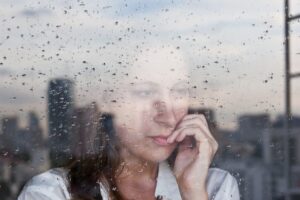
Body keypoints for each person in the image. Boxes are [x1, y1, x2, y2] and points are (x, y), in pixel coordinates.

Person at [18, 44, 240, 200]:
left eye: (179, 91)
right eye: (145, 92)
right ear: (110, 101)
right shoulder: (53, 193)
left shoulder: (213, 187)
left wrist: (192, 194)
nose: (168, 115)